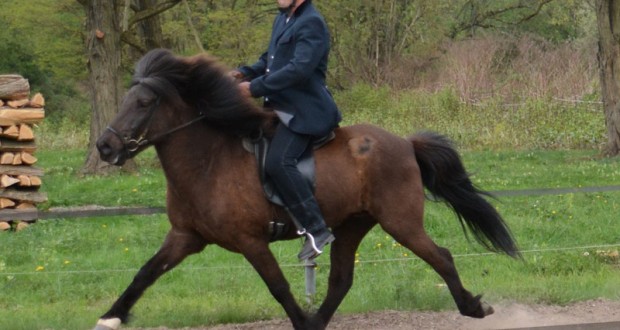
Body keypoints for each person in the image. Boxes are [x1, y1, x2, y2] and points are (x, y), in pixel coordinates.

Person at [231, 0, 341, 260]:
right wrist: (241, 74)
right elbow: (268, 62)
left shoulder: (311, 23)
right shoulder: (283, 19)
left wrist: (253, 89)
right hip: (278, 109)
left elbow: (298, 70)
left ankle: (317, 228)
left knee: (279, 162)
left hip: (305, 111)